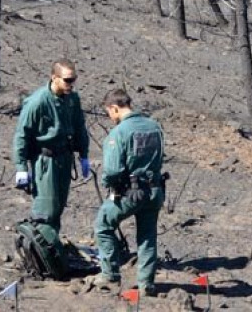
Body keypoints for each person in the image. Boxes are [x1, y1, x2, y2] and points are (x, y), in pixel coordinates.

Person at [94, 89, 165, 296]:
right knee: (147, 236)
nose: (110, 117)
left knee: (103, 225)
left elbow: (113, 170)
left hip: (130, 193)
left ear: (114, 108)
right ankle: (146, 284)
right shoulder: (154, 127)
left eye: (110, 113)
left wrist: (108, 183)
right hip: (154, 191)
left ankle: (109, 274)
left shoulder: (119, 133)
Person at [12, 59, 90, 233]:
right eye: (67, 80)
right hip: (45, 160)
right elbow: (22, 135)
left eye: (74, 79)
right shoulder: (37, 102)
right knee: (45, 209)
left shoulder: (72, 99)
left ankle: (52, 248)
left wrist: (83, 155)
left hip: (65, 157)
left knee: (58, 207)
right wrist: (21, 167)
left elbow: (79, 127)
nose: (71, 84)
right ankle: (39, 250)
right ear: (54, 78)